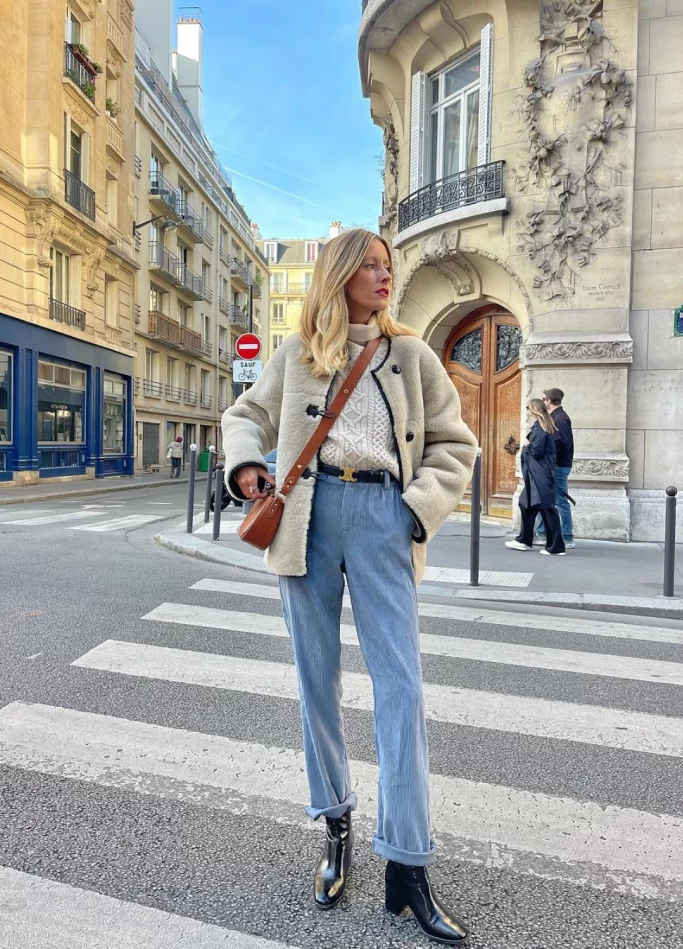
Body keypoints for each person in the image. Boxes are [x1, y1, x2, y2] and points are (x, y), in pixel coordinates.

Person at [222, 229, 477, 944]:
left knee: (402, 687)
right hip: (306, 515)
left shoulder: (413, 355)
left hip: (383, 516)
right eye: (368, 264)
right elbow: (245, 414)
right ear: (337, 276)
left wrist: (414, 507)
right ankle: (335, 823)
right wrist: (247, 466)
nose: (383, 274)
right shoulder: (299, 357)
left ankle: (407, 863)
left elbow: (456, 444)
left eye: (387, 265)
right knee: (317, 680)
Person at [506, 398, 566, 555]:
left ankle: (556, 547)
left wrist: (526, 444)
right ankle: (523, 541)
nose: (527, 413)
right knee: (525, 504)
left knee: (547, 509)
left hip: (541, 476)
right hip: (537, 475)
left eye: (528, 410)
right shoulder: (542, 427)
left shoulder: (541, 429)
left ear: (534, 411)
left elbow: (536, 452)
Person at [535, 387, 575, 548]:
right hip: (556, 465)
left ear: (549, 401)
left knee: (560, 501)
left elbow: (562, 443)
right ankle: (542, 532)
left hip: (558, 466)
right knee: (546, 499)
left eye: (544, 399)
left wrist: (549, 460)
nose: (543, 402)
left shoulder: (560, 418)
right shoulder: (555, 417)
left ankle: (566, 536)